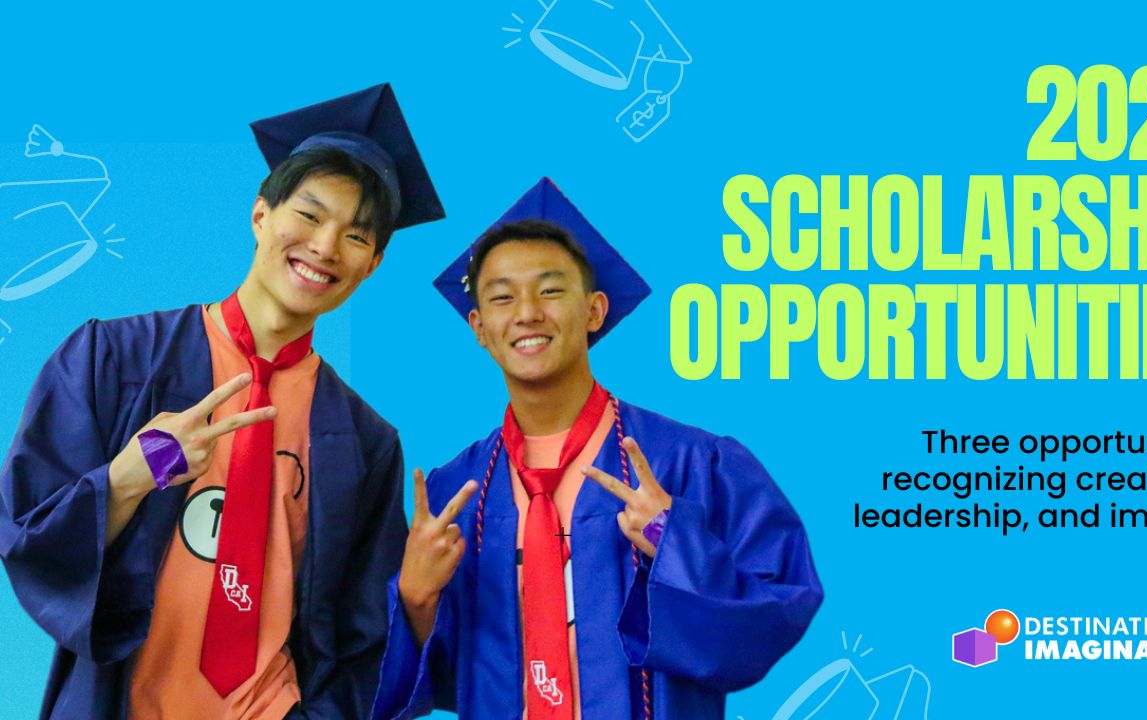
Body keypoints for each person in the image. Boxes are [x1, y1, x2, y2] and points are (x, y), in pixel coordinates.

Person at [0, 83, 444, 719]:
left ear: (372, 262)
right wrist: (130, 476)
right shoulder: (115, 359)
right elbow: (25, 531)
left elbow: (361, 636)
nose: (325, 246)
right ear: (261, 214)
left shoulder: (365, 439)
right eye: (311, 215)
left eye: (356, 235)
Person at [373, 178, 823, 719]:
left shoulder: (689, 463)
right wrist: (418, 598)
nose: (527, 313)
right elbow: (443, 679)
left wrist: (671, 539)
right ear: (480, 328)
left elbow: (778, 609)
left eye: (551, 290)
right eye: (502, 297)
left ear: (594, 310)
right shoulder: (456, 492)